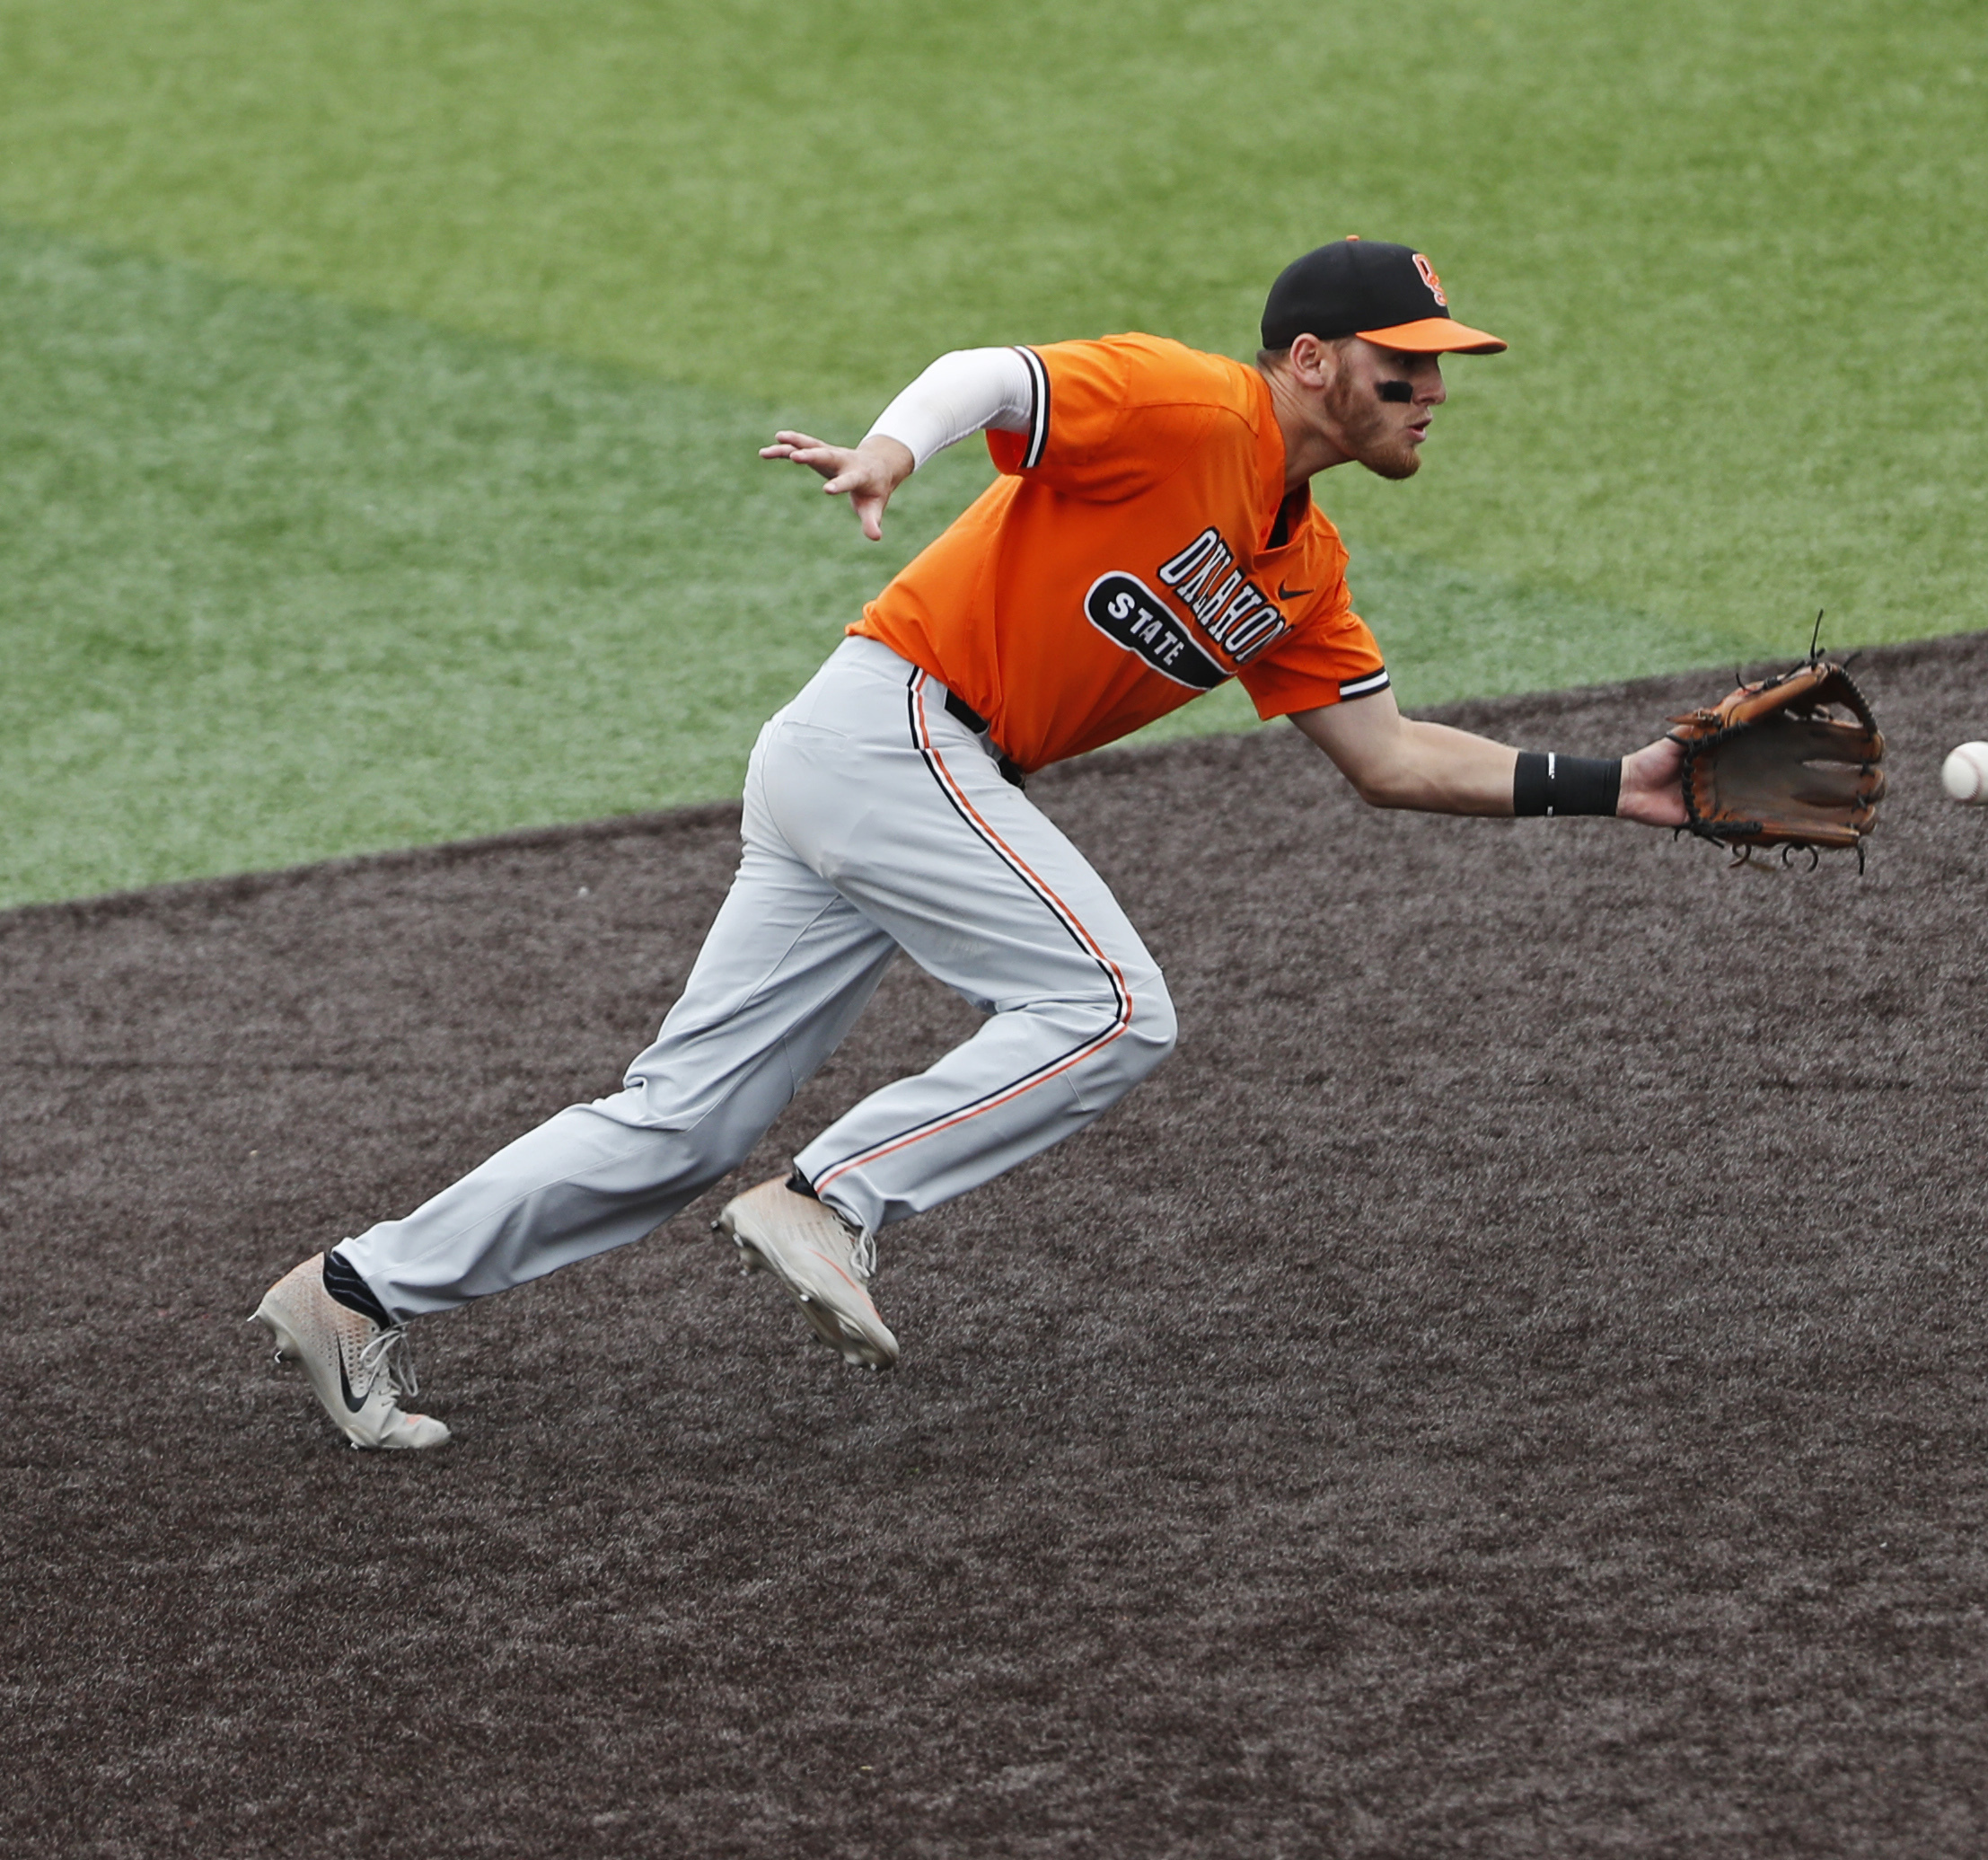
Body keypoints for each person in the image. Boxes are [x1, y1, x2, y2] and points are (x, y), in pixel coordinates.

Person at [247, 238, 1690, 1450]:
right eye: (1403, 364)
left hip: (870, 760)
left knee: (680, 1118)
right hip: (896, 727)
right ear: (1311, 359)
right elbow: (995, 377)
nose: (1429, 393)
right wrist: (892, 447)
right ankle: (832, 1201)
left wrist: (1615, 783)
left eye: (1438, 369)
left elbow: (1389, 756)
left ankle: (354, 1290)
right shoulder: (1192, 405)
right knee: (1111, 1008)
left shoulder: (1303, 566)